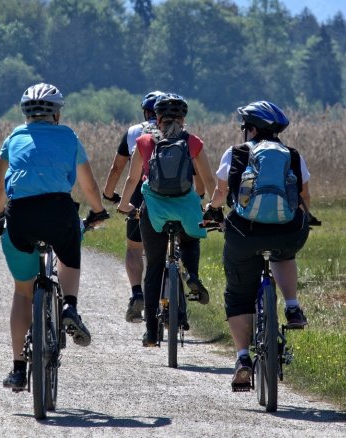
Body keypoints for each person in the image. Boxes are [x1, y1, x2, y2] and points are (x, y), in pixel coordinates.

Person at [0, 83, 109, 390]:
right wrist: (98, 212)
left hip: (20, 217)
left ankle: (18, 368)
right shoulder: (68, 137)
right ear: (56, 113)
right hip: (58, 212)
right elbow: (90, 187)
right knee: (69, 252)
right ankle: (69, 305)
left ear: (26, 114)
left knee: (22, 292)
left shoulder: (13, 138)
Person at [202, 100, 313, 389]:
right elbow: (305, 197)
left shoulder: (236, 153)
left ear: (251, 128)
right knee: (284, 255)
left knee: (238, 294)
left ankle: (242, 359)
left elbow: (221, 191)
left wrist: (212, 211)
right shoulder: (292, 155)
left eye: (244, 127)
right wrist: (303, 220)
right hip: (287, 232)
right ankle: (292, 306)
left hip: (244, 234)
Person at [117, 93, 216, 347]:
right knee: (192, 238)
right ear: (183, 119)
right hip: (185, 208)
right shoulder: (193, 142)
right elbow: (208, 181)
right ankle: (191, 274)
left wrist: (125, 203)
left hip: (154, 211)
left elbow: (131, 180)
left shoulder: (144, 141)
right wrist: (210, 206)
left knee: (154, 270)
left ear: (156, 118)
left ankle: (151, 332)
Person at [100, 91, 162, 323]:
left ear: (145, 111)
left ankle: (137, 292)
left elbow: (117, 168)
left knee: (135, 247)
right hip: (173, 196)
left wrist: (109, 194)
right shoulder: (178, 131)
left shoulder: (134, 132)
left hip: (140, 194)